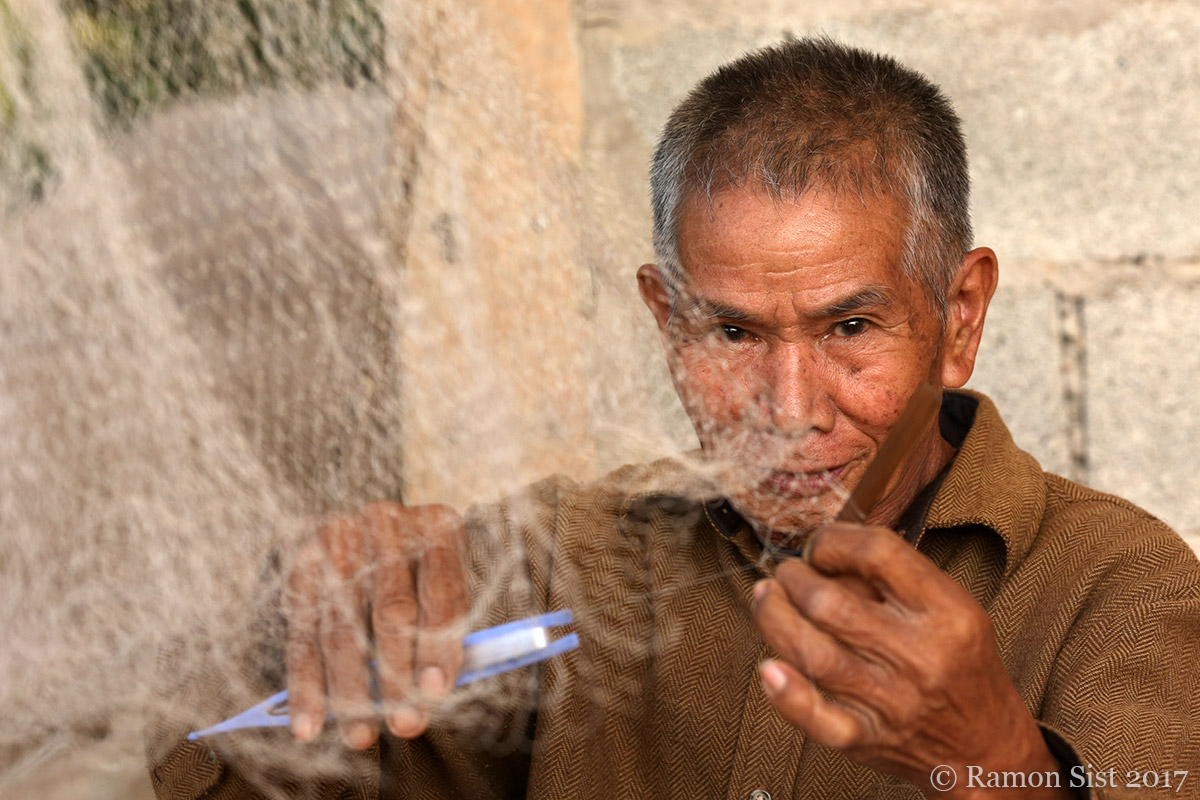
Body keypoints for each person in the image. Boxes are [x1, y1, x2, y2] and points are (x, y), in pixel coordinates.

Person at [149, 37, 1200, 800]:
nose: (788, 409)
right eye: (731, 333)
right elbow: (216, 765)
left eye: (850, 328)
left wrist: (996, 762)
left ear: (958, 316)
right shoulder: (563, 564)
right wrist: (303, 623)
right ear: (665, 320)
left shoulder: (1119, 584)